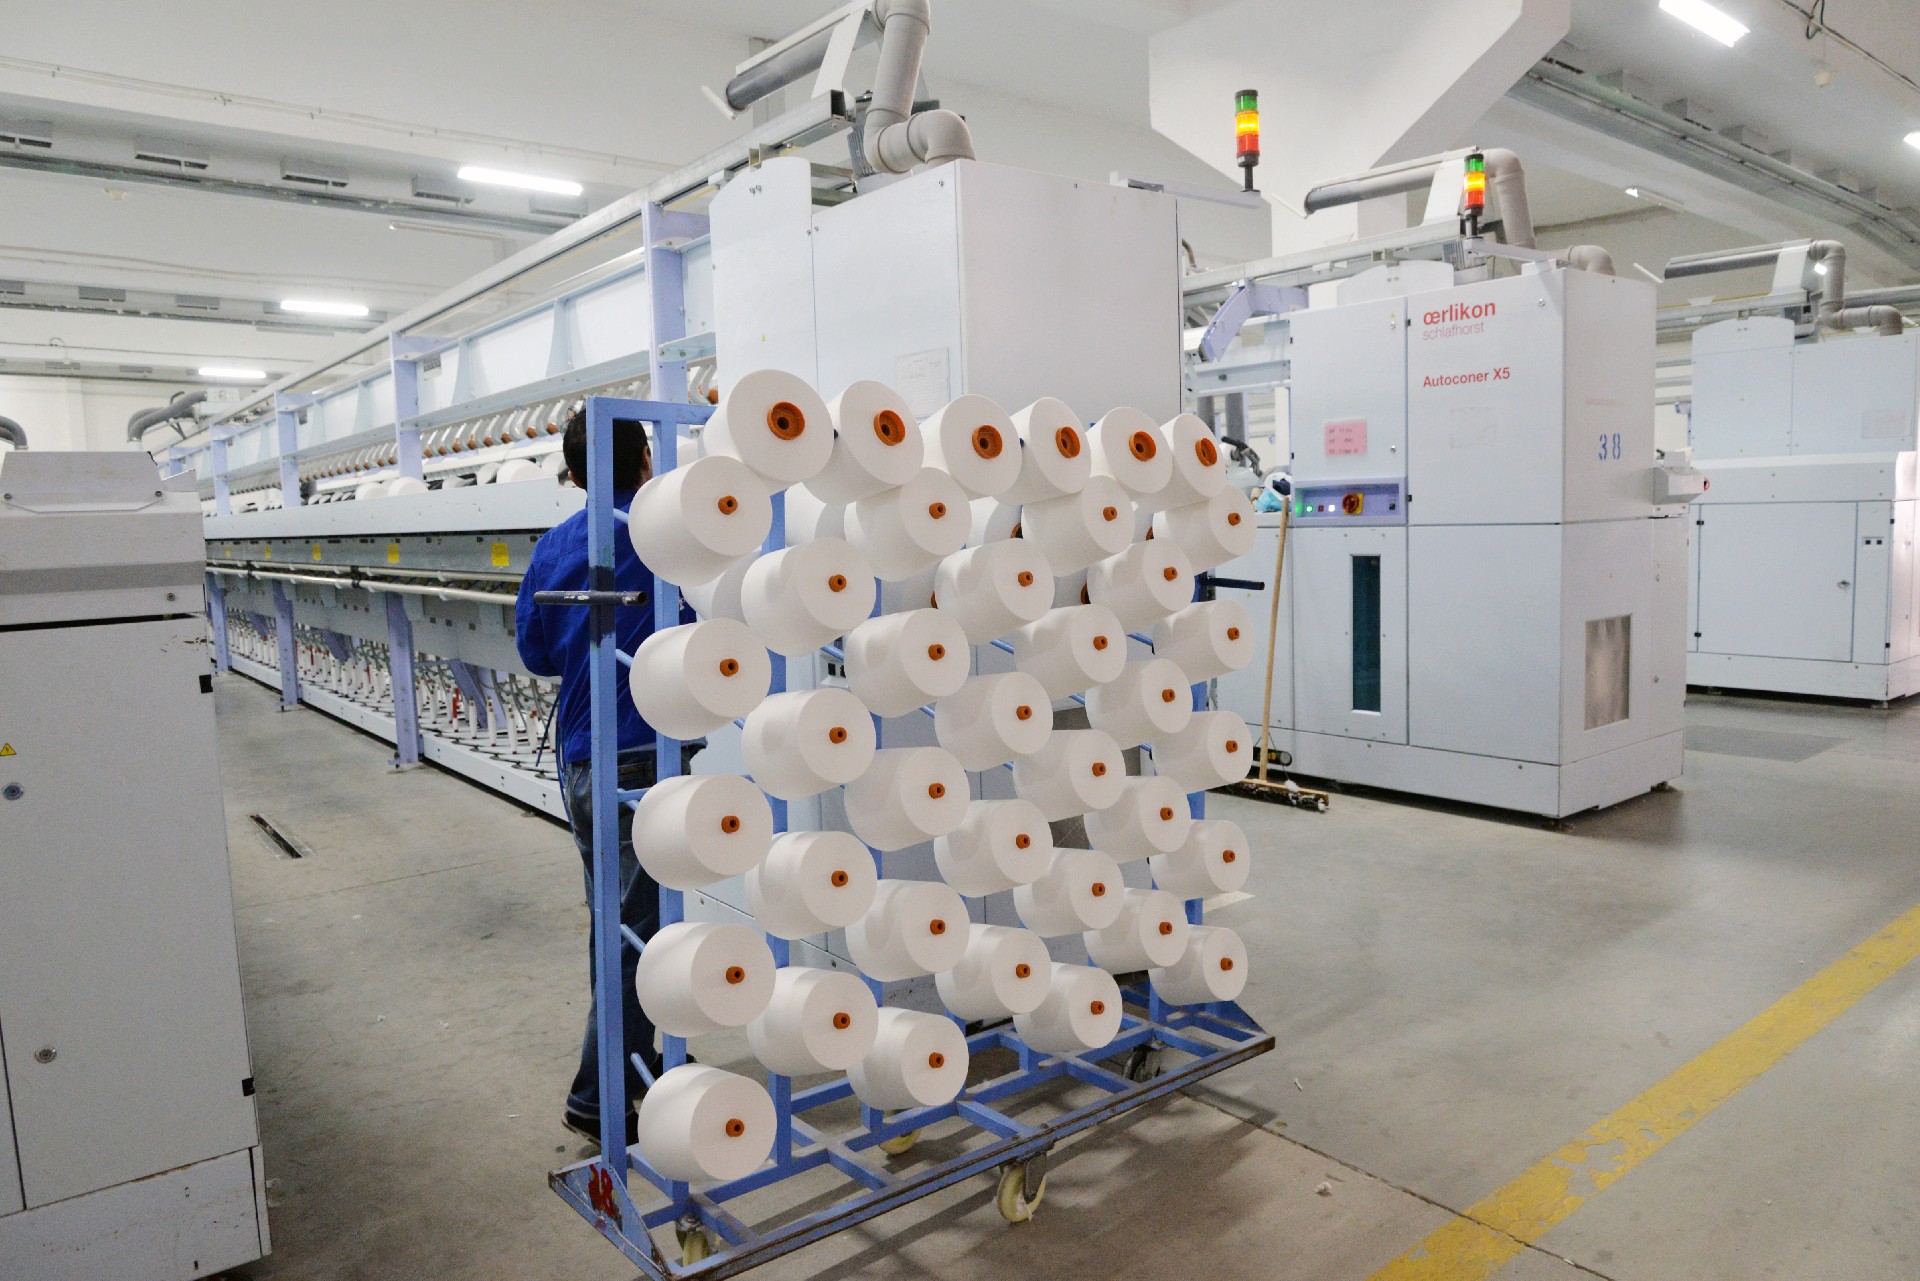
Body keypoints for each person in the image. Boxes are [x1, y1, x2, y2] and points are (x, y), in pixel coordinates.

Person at [515, 407, 684, 1146]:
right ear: (646, 458)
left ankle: (638, 1061)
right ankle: (598, 1094)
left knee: (614, 924)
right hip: (642, 755)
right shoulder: (663, 533)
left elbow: (534, 653)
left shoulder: (555, 543)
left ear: (576, 474)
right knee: (637, 933)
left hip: (582, 758)